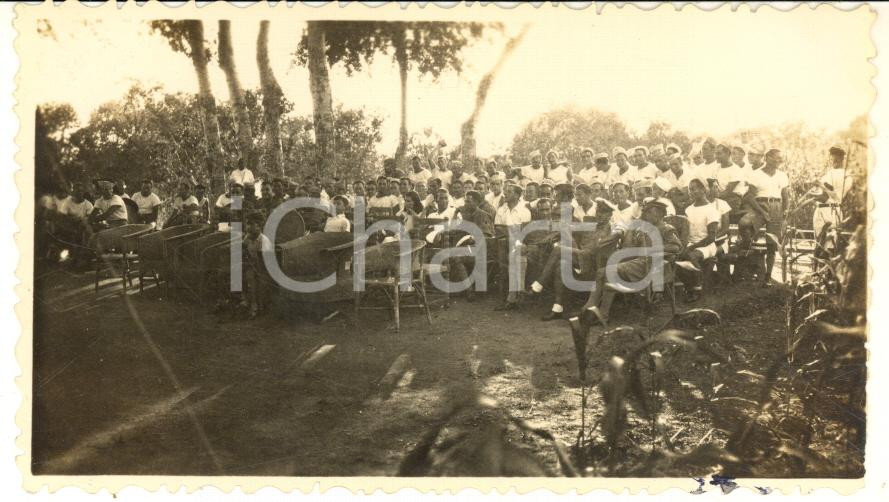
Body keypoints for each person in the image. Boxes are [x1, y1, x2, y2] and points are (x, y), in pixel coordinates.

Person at [570, 197, 682, 330]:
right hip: (638, 262)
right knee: (605, 272)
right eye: (645, 212)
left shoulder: (666, 228)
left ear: (659, 214)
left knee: (605, 272)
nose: (646, 215)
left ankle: (590, 311)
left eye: (649, 213)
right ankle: (599, 313)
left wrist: (652, 249)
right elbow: (630, 247)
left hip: (652, 265)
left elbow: (676, 247)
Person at [531, 197, 620, 320]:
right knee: (561, 264)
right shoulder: (591, 225)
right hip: (581, 257)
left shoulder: (612, 229)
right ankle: (557, 309)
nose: (600, 215)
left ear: (610, 215)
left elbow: (602, 248)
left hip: (593, 262)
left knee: (558, 249)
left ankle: (539, 284)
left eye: (604, 213)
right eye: (598, 212)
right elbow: (568, 228)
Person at [740, 147, 790, 286]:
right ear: (767, 158)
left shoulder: (782, 175)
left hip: (777, 207)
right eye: (776, 158)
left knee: (772, 243)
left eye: (780, 158)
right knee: (744, 224)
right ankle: (751, 263)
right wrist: (763, 212)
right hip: (759, 206)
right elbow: (750, 196)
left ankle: (767, 276)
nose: (779, 161)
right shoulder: (756, 174)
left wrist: (785, 214)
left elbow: (785, 197)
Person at [677, 178, 722, 302]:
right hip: (691, 243)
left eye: (694, 189)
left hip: (707, 245)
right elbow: (685, 233)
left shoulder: (711, 210)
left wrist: (690, 247)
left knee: (691, 255)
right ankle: (687, 285)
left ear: (703, 189)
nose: (691, 192)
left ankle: (697, 288)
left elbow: (711, 238)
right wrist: (684, 245)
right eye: (689, 190)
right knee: (676, 256)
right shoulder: (688, 209)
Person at [449, 190, 495, 301]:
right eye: (465, 201)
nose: (466, 204)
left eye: (469, 202)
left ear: (477, 202)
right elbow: (453, 230)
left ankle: (468, 290)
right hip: (467, 248)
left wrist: (473, 238)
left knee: (456, 257)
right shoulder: (464, 215)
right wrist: (456, 213)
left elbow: (488, 236)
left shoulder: (483, 215)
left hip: (481, 250)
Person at [493, 184, 532, 311]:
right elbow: (498, 230)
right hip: (503, 243)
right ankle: (515, 295)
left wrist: (510, 232)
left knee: (517, 254)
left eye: (509, 192)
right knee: (507, 257)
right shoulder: (501, 209)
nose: (505, 193)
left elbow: (525, 232)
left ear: (517, 195)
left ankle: (513, 296)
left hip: (519, 242)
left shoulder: (524, 211)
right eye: (505, 191)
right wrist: (512, 232)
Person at [812, 145, 855, 240]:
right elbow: (821, 194)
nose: (833, 159)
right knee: (818, 245)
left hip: (832, 211)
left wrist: (821, 186)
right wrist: (811, 193)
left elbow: (837, 198)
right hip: (819, 211)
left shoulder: (847, 177)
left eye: (836, 157)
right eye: (832, 156)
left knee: (829, 245)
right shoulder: (828, 174)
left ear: (842, 158)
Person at [242, 211, 273, 319]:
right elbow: (245, 250)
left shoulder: (263, 241)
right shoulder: (248, 237)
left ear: (259, 226)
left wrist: (250, 266)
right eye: (247, 224)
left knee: (251, 278)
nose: (248, 227)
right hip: (253, 266)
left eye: (251, 224)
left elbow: (264, 263)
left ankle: (255, 306)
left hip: (263, 269)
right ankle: (244, 301)